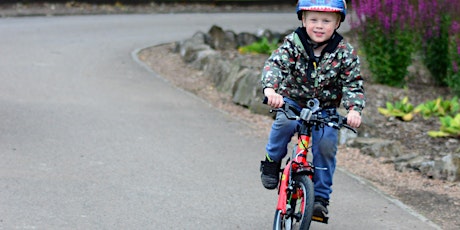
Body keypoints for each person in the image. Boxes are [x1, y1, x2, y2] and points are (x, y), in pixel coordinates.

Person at [259, 0, 365, 221]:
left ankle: (320, 199)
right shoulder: (293, 44)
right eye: (313, 19)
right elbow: (276, 65)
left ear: (337, 23)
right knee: (285, 123)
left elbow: (352, 84)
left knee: (326, 145)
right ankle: (271, 161)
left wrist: (354, 109)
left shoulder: (344, 52)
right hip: (293, 101)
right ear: (303, 20)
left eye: (326, 21)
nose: (319, 25)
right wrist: (271, 89)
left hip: (325, 109)